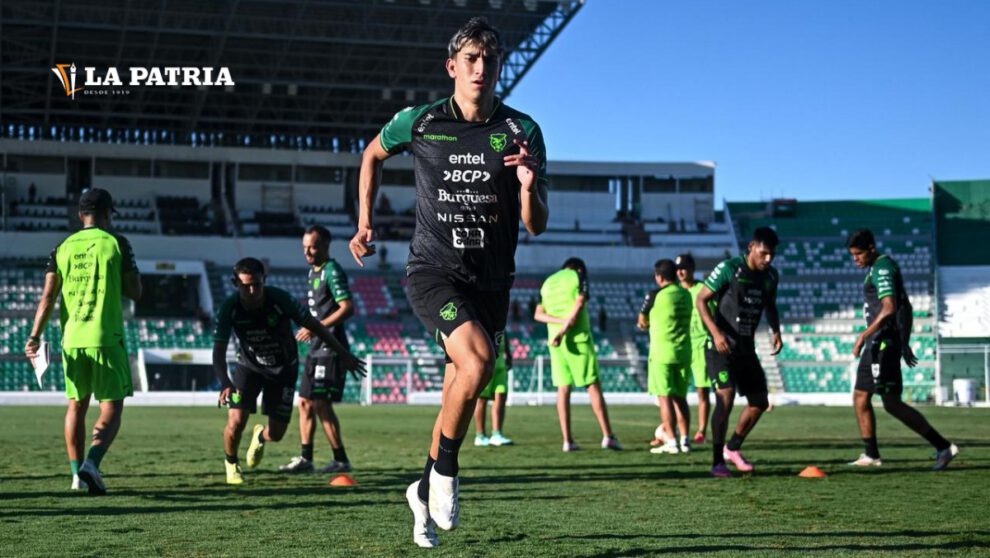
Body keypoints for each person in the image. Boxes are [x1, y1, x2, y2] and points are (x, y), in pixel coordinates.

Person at [348, 17, 548, 548]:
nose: (482, 69)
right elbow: (371, 154)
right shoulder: (421, 122)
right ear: (452, 66)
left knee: (459, 391)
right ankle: (446, 473)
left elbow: (535, 223)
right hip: (433, 271)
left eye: (491, 59)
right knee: (479, 361)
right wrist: (365, 221)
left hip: (493, 282)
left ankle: (420, 489)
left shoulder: (523, 131)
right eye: (472, 59)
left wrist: (527, 185)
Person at [25, 188, 142, 495]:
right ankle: (93, 463)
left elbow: (48, 297)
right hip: (106, 336)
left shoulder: (62, 247)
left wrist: (34, 336)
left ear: (80, 216)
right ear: (108, 214)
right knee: (112, 407)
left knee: (76, 406)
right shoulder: (117, 242)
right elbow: (136, 291)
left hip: (72, 339)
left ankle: (76, 474)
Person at [212, 257, 364, 485]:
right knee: (235, 421)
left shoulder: (280, 299)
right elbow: (218, 350)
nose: (252, 291)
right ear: (235, 283)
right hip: (248, 369)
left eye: (256, 284)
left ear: (264, 280)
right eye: (245, 286)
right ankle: (232, 464)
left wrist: (344, 354)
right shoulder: (229, 308)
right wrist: (225, 382)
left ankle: (260, 436)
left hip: (283, 370)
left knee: (277, 434)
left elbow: (316, 327)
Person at [846, 229, 957, 470]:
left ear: (871, 249)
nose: (856, 259)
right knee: (877, 400)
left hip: (880, 343)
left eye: (858, 254)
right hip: (885, 342)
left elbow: (889, 308)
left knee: (876, 400)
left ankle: (940, 446)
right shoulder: (880, 268)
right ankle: (938, 447)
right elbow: (905, 307)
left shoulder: (882, 268)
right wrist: (904, 342)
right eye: (853, 255)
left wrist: (864, 335)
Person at [696, 227, 783, 478]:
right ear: (751, 247)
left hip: (746, 349)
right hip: (720, 347)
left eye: (772, 255)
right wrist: (716, 332)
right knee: (726, 398)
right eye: (764, 253)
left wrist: (776, 330)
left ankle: (732, 448)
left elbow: (771, 305)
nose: (768, 259)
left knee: (759, 402)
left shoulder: (770, 277)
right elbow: (701, 299)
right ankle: (716, 462)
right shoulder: (729, 269)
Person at [279, 226, 356, 474]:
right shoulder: (313, 272)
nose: (308, 252)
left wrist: (316, 328)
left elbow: (347, 308)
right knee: (304, 403)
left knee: (321, 403)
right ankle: (306, 459)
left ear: (325, 246)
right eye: (305, 247)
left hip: (331, 347)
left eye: (312, 246)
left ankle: (341, 460)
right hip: (315, 347)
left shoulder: (332, 271)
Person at [535, 258, 622, 453]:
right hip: (578, 338)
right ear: (580, 268)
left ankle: (567, 440)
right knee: (592, 385)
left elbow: (538, 314)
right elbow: (580, 302)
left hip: (554, 342)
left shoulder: (548, 282)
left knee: (563, 389)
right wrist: (566, 326)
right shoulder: (579, 276)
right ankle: (608, 436)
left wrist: (558, 324)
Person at [638, 259, 692, 455]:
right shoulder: (686, 295)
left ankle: (671, 441)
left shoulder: (655, 295)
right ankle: (685, 440)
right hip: (684, 352)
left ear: (658, 277)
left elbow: (642, 321)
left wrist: (648, 323)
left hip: (662, 353)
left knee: (665, 398)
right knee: (681, 398)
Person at [675, 253, 711, 444]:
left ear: (692, 269)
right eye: (678, 269)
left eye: (684, 268)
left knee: (702, 391)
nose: (680, 272)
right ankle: (672, 430)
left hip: (701, 345)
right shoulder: (673, 291)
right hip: (680, 346)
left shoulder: (702, 289)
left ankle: (701, 431)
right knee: (675, 392)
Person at [474, 333, 513, 447]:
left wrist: (508, 354)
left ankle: (497, 434)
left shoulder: (500, 317)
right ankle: (480, 435)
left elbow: (503, 332)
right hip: (485, 362)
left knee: (501, 396)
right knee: (482, 399)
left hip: (500, 365)